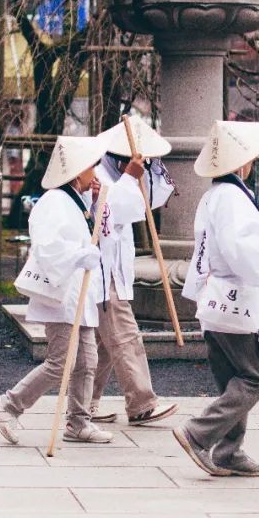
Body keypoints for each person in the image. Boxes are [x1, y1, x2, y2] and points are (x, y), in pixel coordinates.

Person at [173, 121, 259, 477]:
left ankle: (229, 451)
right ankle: (199, 433)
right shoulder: (232, 198)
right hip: (235, 297)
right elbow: (239, 249)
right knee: (254, 378)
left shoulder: (214, 196)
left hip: (216, 296)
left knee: (232, 376)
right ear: (240, 163)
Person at [0, 136, 114, 445]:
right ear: (76, 172)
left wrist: (95, 206)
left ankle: (78, 421)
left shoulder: (73, 201)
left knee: (88, 359)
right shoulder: (54, 202)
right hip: (62, 293)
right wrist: (78, 255)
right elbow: (48, 247)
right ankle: (9, 404)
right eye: (90, 167)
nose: (95, 173)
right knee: (62, 362)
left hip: (77, 293)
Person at [87, 122, 178, 426]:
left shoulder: (117, 177)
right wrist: (129, 179)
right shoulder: (98, 178)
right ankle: (141, 403)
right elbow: (108, 214)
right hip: (101, 270)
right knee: (125, 337)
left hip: (112, 270)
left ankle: (85, 402)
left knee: (104, 344)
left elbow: (146, 202)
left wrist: (140, 173)